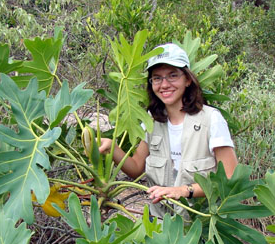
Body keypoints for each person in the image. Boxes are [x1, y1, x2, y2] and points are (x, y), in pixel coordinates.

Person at [99, 42, 238, 217]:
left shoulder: (211, 119)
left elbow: (231, 178)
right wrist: (111, 148)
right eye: (157, 78)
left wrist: (184, 190)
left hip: (201, 221)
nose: (164, 84)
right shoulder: (152, 120)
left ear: (187, 79)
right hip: (160, 221)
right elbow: (136, 168)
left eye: (172, 76)